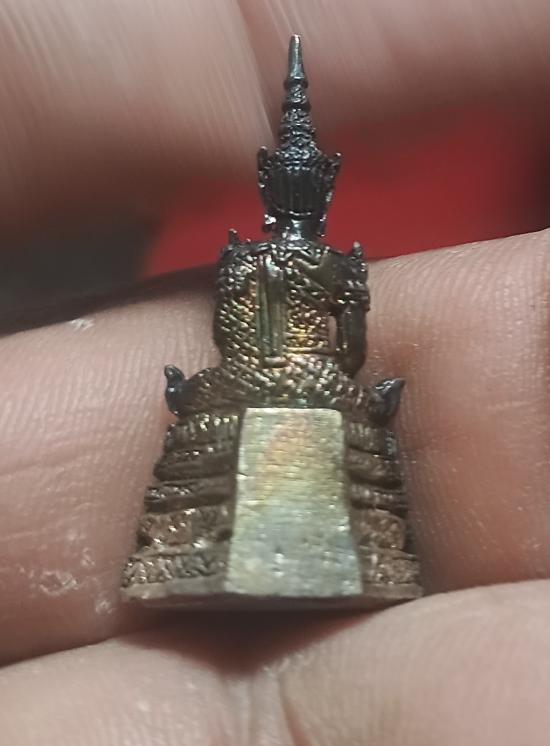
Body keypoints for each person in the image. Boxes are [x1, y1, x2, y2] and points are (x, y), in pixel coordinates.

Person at [1, 3, 549, 743]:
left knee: (222, 405)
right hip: (321, 387)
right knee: (358, 406)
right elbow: (348, 352)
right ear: (322, 189)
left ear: (270, 187)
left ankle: (204, 551)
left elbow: (227, 340)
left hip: (231, 388)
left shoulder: (241, 260)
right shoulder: (334, 264)